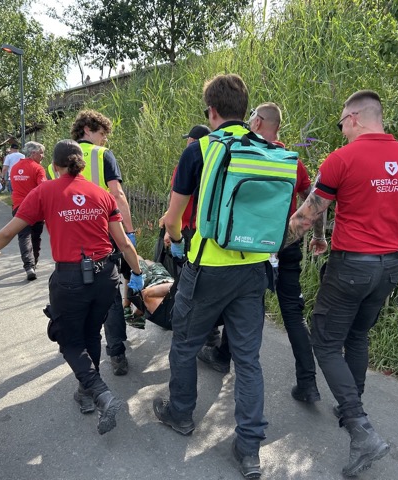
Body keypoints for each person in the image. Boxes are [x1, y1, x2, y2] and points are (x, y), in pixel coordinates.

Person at [286, 90, 398, 476]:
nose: (341, 129)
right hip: (388, 269)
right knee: (357, 336)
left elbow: (307, 216)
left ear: (355, 117)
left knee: (325, 342)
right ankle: (351, 407)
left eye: (341, 122)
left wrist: (269, 248)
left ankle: (360, 429)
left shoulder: (342, 159)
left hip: (350, 269)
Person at [0, 140, 144, 435]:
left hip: (70, 280)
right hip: (105, 276)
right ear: (81, 163)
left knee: (69, 339)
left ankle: (101, 394)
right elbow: (122, 243)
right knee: (91, 333)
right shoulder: (102, 194)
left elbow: (9, 231)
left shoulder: (44, 191)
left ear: (54, 166)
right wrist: (137, 273)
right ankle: (86, 393)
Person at [155, 74, 270, 479]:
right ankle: (250, 447)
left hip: (207, 269)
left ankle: (181, 415)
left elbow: (173, 219)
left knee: (185, 344)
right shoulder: (266, 148)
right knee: (248, 359)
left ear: (212, 111)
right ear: (245, 109)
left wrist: (174, 241)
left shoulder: (199, 149)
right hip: (253, 269)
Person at [197, 102, 328, 405]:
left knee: (243, 304)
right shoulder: (291, 161)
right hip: (287, 246)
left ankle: (224, 355)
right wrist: (319, 236)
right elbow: (313, 202)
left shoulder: (244, 152)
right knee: (293, 314)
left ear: (256, 122)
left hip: (252, 247)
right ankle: (307, 382)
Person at [71, 109, 136, 376]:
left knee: (78, 297)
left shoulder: (58, 159)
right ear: (87, 128)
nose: (104, 140)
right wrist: (129, 232)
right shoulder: (101, 155)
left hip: (72, 240)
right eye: (102, 133)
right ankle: (117, 353)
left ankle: (83, 355)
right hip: (103, 236)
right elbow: (117, 195)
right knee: (109, 295)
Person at [10, 141, 47, 280]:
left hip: (19, 207)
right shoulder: (38, 168)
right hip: (35, 207)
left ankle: (29, 266)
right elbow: (43, 188)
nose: (42, 156)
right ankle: (34, 262)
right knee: (35, 237)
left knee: (24, 236)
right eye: (41, 152)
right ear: (33, 153)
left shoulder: (15, 168)